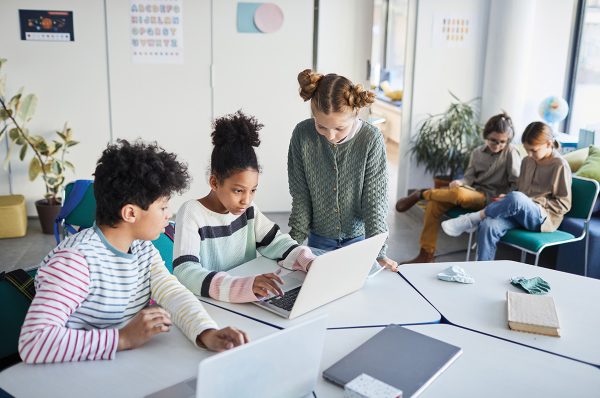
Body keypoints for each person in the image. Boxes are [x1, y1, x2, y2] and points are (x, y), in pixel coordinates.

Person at [18, 140, 248, 364]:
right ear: (130, 213)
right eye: (163, 207)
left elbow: (173, 293)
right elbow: (33, 342)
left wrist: (206, 332)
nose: (168, 215)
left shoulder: (142, 249)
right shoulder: (75, 262)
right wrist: (122, 338)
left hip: (124, 364)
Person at [173, 111, 316, 303]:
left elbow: (274, 242)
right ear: (214, 183)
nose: (246, 200)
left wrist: (305, 259)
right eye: (238, 191)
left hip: (247, 299)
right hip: (213, 304)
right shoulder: (192, 212)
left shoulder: (248, 210)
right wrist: (241, 286)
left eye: (253, 190)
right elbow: (185, 271)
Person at [287, 69, 397, 271]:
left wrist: (379, 253)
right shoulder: (302, 135)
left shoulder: (370, 140)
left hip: (359, 240)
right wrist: (292, 246)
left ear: (356, 114)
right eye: (321, 126)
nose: (330, 136)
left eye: (339, 129)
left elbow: (374, 202)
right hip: (319, 239)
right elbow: (300, 195)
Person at [395, 112, 521, 263]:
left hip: (491, 198)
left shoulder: (511, 152)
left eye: (502, 142)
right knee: (435, 204)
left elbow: (516, 182)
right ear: (486, 136)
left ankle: (421, 194)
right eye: (494, 141)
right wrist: (460, 182)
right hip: (472, 191)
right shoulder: (477, 153)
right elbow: (468, 177)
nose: (498, 145)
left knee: (458, 194)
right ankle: (426, 254)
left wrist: (505, 197)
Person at [441, 121, 572, 261]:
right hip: (519, 212)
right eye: (527, 149)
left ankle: (472, 218)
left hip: (542, 218)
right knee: (488, 225)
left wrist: (525, 200)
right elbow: (520, 189)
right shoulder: (527, 161)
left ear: (549, 144)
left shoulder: (560, 165)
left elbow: (564, 204)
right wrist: (508, 198)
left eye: (534, 150)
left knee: (517, 198)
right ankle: (482, 272)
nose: (529, 154)